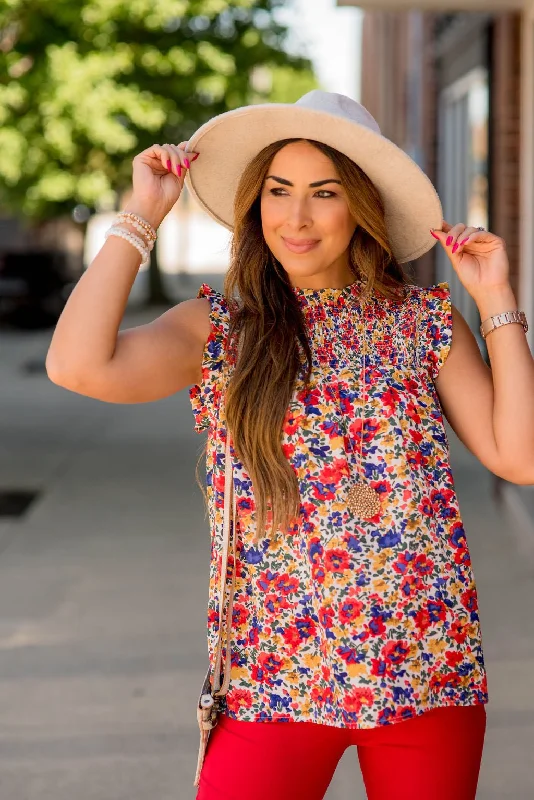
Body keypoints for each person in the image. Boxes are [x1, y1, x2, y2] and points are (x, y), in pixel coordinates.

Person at [46, 91, 533, 800]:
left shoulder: (423, 322)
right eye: (278, 191)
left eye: (323, 193)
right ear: (256, 205)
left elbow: (517, 456)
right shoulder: (218, 329)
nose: (295, 217)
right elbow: (76, 365)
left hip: (426, 667)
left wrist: (494, 301)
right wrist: (142, 215)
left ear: (361, 207)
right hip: (273, 679)